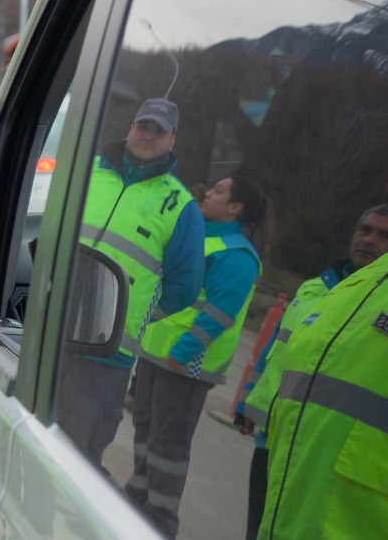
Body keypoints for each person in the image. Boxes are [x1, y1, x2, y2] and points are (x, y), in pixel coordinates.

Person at [56, 97, 204, 467]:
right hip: (47, 330)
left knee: (77, 456)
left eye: (159, 131)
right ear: (130, 129)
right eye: (143, 127)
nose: (149, 136)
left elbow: (184, 287)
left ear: (172, 141)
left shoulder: (180, 206)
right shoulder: (85, 170)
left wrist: (128, 315)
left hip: (106, 353)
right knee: (21, 430)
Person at [235, 203, 388, 538]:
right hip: (273, 430)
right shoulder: (316, 288)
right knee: (262, 524)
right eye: (365, 230)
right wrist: (247, 401)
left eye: (385, 235)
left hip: (323, 449)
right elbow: (276, 347)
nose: (370, 240)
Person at [128, 175, 269, 537]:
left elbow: (222, 311)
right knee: (145, 430)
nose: (208, 192)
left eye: (219, 191)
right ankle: (136, 500)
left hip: (186, 364)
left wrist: (185, 349)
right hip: (157, 354)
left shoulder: (237, 254)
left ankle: (159, 522)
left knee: (168, 446)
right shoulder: (199, 236)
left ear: (236, 207)